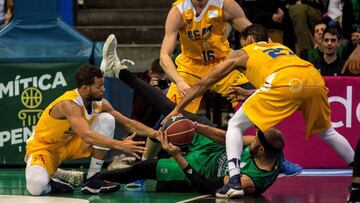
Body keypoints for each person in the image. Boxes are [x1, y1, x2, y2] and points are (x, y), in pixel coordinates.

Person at [165, 24, 355, 198]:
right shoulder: (281, 48)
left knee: (235, 125)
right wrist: (250, 92)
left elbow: (204, 82)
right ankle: (358, 176)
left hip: (284, 81)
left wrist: (178, 108)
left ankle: (234, 181)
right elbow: (291, 82)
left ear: (248, 40)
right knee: (327, 132)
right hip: (313, 78)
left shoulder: (242, 53)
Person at [100, 33, 303, 177]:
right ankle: (119, 72)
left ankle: (119, 72)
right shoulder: (255, 159)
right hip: (208, 127)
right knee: (169, 114)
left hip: (207, 151)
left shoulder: (253, 174)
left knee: (169, 114)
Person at [25, 65, 161, 195]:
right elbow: (87, 135)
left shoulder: (99, 103)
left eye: (103, 85)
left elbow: (128, 123)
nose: (103, 89)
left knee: (107, 119)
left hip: (71, 144)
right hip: (45, 149)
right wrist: (120, 145)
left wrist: (156, 134)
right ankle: (52, 182)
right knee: (36, 188)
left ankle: (92, 180)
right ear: (85, 88)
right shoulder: (69, 105)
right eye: (99, 86)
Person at [56, 124, 285, 196]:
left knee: (140, 169)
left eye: (255, 143)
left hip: (196, 173)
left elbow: (203, 187)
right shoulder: (269, 151)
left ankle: (86, 178)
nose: (250, 142)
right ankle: (120, 72)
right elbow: (228, 138)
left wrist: (176, 155)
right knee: (174, 118)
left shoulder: (248, 181)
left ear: (263, 150)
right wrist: (200, 127)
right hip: (210, 153)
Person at [160, 0, 252, 114]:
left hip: (223, 63)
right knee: (173, 119)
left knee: (253, 101)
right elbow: (164, 56)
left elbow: (254, 34)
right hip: (190, 67)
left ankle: (251, 131)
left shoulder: (224, 4)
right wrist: (179, 81)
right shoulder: (178, 11)